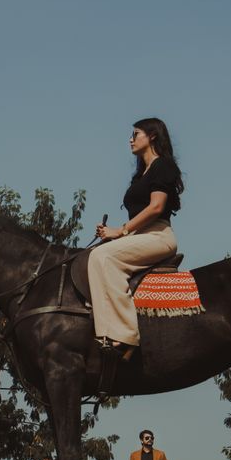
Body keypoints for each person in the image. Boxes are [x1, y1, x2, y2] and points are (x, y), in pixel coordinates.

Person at [89, 117, 184, 354]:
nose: (130, 140)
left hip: (159, 237)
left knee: (102, 258)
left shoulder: (164, 165)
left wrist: (120, 231)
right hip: (139, 236)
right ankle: (104, 335)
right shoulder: (140, 175)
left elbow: (156, 207)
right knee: (93, 256)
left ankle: (126, 334)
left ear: (152, 136)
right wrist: (114, 235)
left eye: (135, 134)